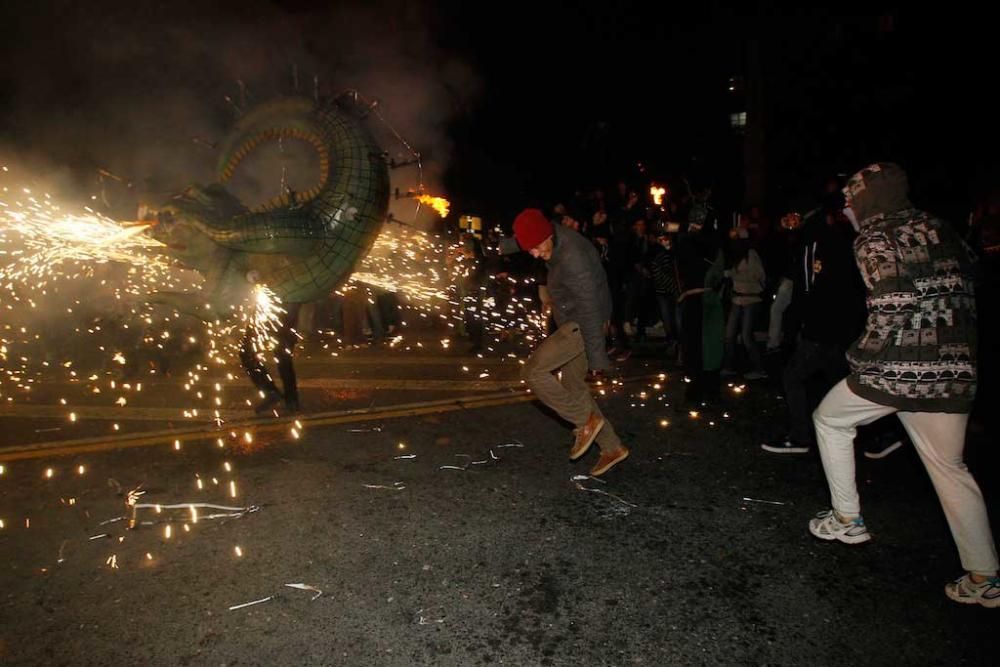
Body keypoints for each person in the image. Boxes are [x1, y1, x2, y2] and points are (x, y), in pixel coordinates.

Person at [807, 163, 998, 608]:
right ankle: (985, 576)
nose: (848, 210)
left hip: (900, 366)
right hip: (953, 367)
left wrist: (860, 356)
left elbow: (891, 303)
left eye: (851, 201)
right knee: (950, 466)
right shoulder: (939, 227)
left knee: (830, 419)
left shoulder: (874, 237)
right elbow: (975, 281)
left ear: (866, 201)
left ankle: (846, 518)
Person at [514, 209, 630, 477]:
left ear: (547, 236)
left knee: (533, 372)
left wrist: (598, 356)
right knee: (573, 383)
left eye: (536, 247)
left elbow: (590, 308)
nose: (534, 254)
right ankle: (612, 447)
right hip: (574, 319)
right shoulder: (551, 237)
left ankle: (584, 421)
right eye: (528, 249)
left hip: (581, 323)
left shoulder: (572, 257)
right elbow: (531, 233)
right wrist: (504, 244)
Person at [239, 301, 302, 414]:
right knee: (248, 352)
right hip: (267, 304)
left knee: (283, 354)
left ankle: (288, 398)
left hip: (282, 304)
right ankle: (276, 394)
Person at [721, 230, 767, 379]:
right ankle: (728, 366)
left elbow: (758, 275)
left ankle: (759, 369)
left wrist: (735, 274)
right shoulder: (735, 255)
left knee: (747, 336)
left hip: (751, 299)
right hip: (737, 299)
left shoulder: (751, 254)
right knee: (729, 335)